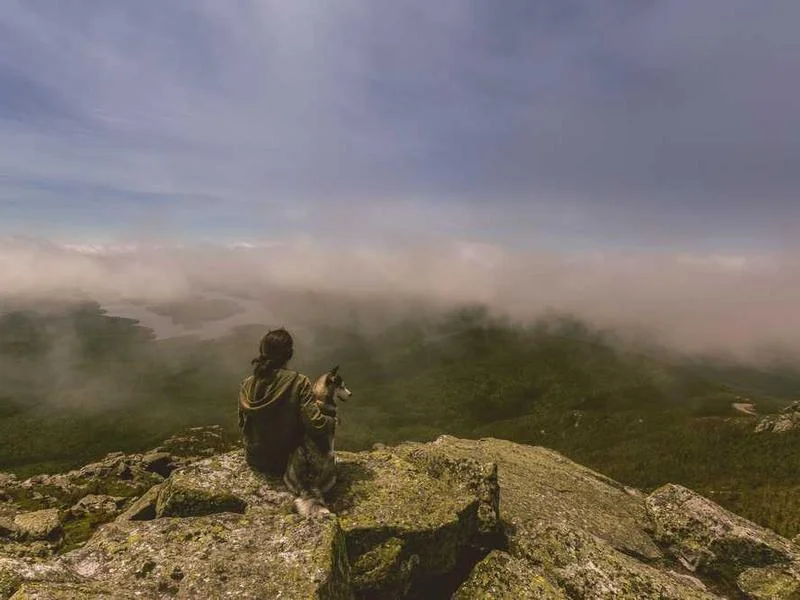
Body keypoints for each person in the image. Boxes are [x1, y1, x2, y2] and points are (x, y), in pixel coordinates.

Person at [237, 328, 336, 475]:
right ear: (290, 354)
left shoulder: (247, 383)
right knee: (326, 419)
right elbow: (316, 425)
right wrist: (332, 420)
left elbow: (241, 423)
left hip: (255, 459)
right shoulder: (299, 381)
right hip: (286, 462)